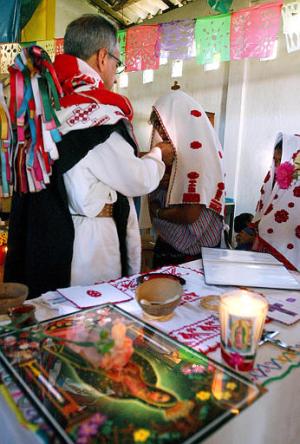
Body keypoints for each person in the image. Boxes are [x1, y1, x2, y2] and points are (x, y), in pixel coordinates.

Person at [4, 15, 174, 297]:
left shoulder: (47, 106)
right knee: (92, 326)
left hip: (47, 237)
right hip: (89, 243)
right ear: (102, 56)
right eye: (116, 64)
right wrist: (159, 154)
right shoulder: (97, 112)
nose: (114, 73)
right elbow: (137, 179)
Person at [148, 90, 225, 268]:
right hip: (170, 243)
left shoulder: (198, 155)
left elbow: (190, 214)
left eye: (163, 124)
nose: (161, 131)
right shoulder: (177, 151)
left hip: (192, 252)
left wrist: (158, 212)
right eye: (157, 125)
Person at [252, 133, 300, 271]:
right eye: (275, 160)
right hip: (266, 256)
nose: (277, 166)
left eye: (281, 161)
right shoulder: (272, 183)